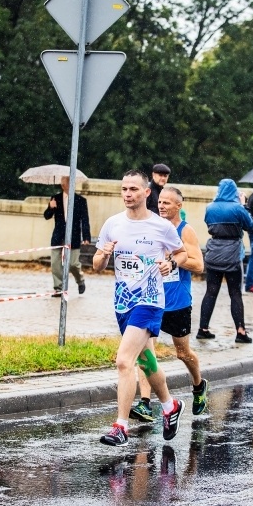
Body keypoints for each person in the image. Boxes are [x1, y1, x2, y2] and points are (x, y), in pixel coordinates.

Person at [93, 170, 188, 446]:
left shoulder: (161, 227)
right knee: (147, 362)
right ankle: (170, 406)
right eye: (124, 189)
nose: (127, 194)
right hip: (123, 302)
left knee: (125, 361)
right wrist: (104, 254)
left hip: (149, 301)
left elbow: (181, 253)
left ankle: (120, 426)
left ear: (147, 192)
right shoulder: (113, 224)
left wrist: (171, 263)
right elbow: (97, 265)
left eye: (133, 189)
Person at [129, 187, 208, 423]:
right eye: (160, 202)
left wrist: (172, 262)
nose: (161, 206)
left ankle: (198, 384)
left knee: (183, 353)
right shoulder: (153, 226)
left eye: (167, 203)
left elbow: (198, 265)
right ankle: (145, 403)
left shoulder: (186, 231)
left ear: (179, 206)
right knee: (145, 351)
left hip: (177, 302)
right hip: (152, 300)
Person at [197, 179, 253, 343]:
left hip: (214, 252)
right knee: (235, 293)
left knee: (211, 291)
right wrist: (244, 205)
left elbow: (208, 223)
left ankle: (203, 328)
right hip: (232, 254)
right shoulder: (237, 208)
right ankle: (241, 331)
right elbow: (250, 225)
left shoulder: (210, 208)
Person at [43, 175, 91, 296]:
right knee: (55, 263)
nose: (66, 186)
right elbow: (47, 216)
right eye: (64, 184)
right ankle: (58, 288)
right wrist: (50, 207)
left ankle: (80, 281)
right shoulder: (56, 198)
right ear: (62, 186)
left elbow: (85, 220)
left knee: (73, 264)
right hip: (58, 236)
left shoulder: (81, 201)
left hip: (73, 236)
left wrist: (86, 237)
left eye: (68, 184)